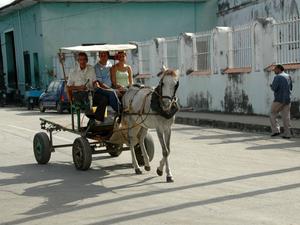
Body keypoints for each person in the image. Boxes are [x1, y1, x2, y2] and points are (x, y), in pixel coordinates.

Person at [93, 51, 121, 122]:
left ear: (107, 56)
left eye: (104, 55)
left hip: (109, 88)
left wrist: (118, 87)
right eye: (101, 55)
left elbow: (112, 78)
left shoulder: (110, 64)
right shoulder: (97, 67)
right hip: (100, 88)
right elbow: (100, 83)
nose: (103, 57)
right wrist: (111, 90)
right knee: (112, 93)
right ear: (99, 56)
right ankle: (120, 111)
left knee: (124, 92)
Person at [270, 64, 293, 139]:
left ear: (279, 69)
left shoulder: (277, 77)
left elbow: (274, 88)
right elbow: (291, 87)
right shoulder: (288, 76)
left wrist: (271, 86)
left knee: (272, 113)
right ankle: (287, 134)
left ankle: (276, 130)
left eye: (275, 70)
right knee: (286, 117)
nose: (274, 71)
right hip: (287, 99)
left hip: (279, 99)